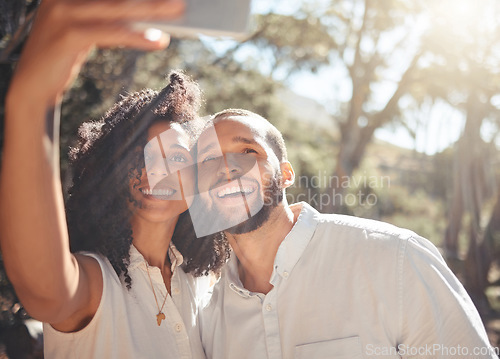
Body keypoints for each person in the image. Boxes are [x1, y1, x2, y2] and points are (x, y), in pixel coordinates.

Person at [0, 0, 229, 357]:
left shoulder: (204, 281)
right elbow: (44, 291)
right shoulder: (94, 282)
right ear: (113, 174)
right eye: (142, 156)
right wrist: (33, 100)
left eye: (179, 157)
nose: (159, 170)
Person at [194, 109, 498, 359]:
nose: (228, 168)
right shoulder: (208, 317)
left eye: (248, 150)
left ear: (286, 174)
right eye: (209, 159)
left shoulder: (395, 258)